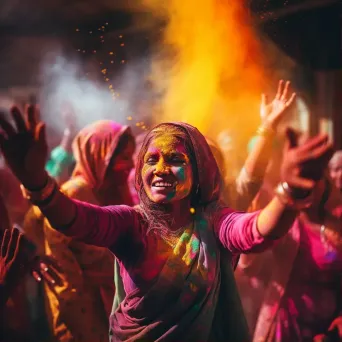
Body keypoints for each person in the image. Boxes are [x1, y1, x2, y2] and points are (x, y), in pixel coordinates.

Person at [0, 104, 333, 341]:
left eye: (175, 160)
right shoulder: (131, 223)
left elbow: (255, 231)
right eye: (151, 159)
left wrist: (288, 194)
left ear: (199, 171)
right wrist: (36, 182)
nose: (159, 169)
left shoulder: (214, 221)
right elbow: (75, 219)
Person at [23, 120, 135, 341]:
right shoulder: (77, 192)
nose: (131, 164)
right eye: (124, 157)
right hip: (82, 312)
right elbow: (64, 275)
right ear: (102, 156)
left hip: (113, 304)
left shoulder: (115, 191)